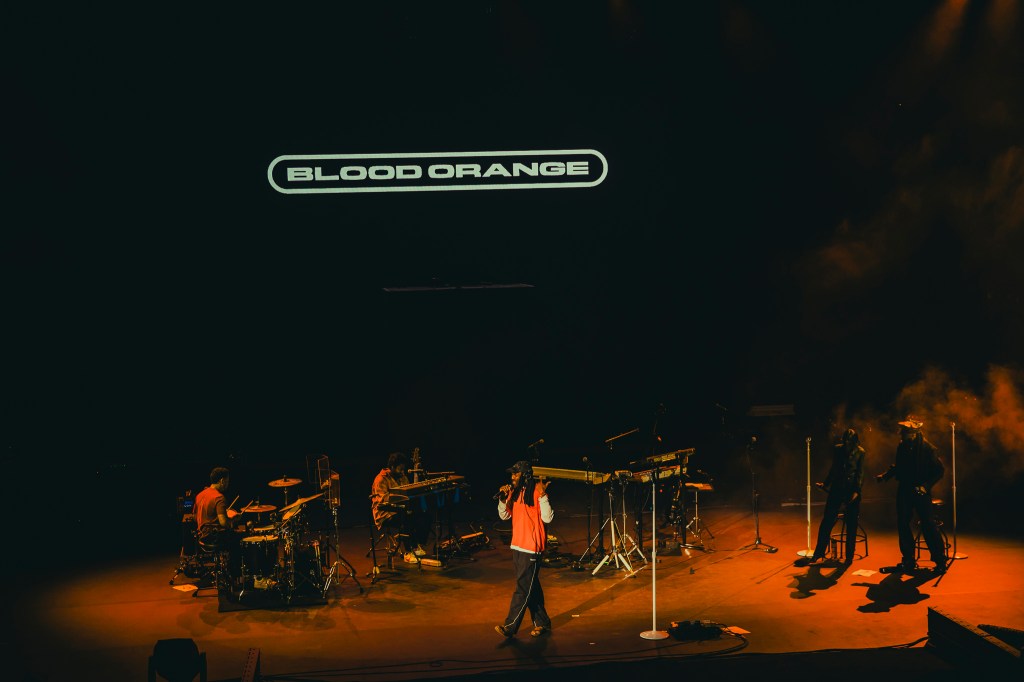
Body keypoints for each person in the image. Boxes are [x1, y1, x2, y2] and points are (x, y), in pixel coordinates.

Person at [875, 416, 948, 573]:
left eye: (904, 433)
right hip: (905, 489)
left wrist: (925, 486)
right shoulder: (902, 446)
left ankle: (940, 560)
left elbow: (939, 471)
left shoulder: (928, 449)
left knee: (928, 525)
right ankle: (908, 560)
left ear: (913, 434)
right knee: (903, 524)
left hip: (920, 492)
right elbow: (899, 466)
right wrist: (885, 475)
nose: (901, 435)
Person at [495, 460, 554, 638]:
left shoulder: (536, 491)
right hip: (517, 545)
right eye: (512, 474)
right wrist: (502, 498)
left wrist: (543, 496)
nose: (512, 477)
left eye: (516, 473)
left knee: (522, 588)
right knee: (531, 586)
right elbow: (504, 515)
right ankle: (542, 622)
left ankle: (510, 626)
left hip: (532, 547)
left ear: (525, 475)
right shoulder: (513, 492)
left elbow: (548, 518)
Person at [795, 428, 865, 567]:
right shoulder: (838, 450)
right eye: (845, 441)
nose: (846, 444)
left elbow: (860, 473)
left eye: (849, 442)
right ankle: (819, 553)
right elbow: (834, 469)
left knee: (851, 524)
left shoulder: (860, 452)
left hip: (851, 489)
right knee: (827, 521)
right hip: (837, 488)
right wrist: (826, 483)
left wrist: (856, 491)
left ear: (855, 442)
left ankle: (849, 557)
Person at [370, 451, 428, 563]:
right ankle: (408, 552)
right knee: (406, 518)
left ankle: (415, 545)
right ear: (392, 467)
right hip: (385, 514)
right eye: (400, 469)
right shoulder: (381, 479)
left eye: (403, 469)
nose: (402, 472)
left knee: (424, 515)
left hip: (401, 510)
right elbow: (383, 499)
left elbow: (408, 492)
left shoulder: (402, 477)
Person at [193, 466, 245, 576]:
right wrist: (234, 519)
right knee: (242, 539)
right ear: (222, 481)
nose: (227, 484)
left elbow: (195, 517)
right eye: (227, 481)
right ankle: (235, 574)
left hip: (201, 537)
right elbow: (223, 523)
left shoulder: (199, 495)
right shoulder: (219, 497)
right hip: (214, 538)